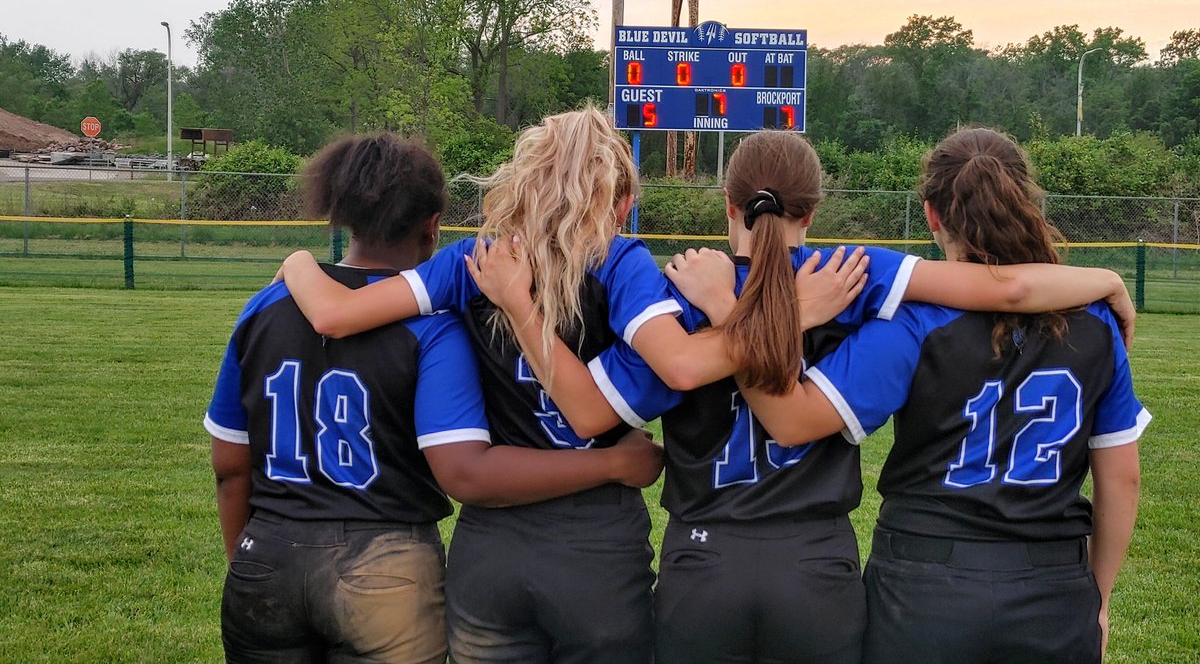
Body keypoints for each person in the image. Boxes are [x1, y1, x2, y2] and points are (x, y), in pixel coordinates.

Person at [277, 108, 1132, 663]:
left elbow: (338, 310)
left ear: (729, 200)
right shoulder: (843, 273)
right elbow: (1005, 289)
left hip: (672, 554)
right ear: (812, 208)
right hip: (801, 557)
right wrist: (1103, 280)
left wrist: (296, 262)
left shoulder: (615, 277)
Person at [676, 127, 1147, 664]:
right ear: (1024, 201)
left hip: (924, 575)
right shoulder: (1096, 323)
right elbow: (1122, 477)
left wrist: (730, 316)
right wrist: (1098, 597)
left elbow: (792, 420)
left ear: (931, 215)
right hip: (1052, 581)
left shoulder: (912, 321)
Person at [204, 133, 663, 664]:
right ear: (431, 224)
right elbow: (469, 466)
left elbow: (231, 465)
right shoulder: (442, 324)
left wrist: (300, 263)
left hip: (286, 549)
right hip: (407, 558)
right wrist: (615, 463)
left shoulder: (268, 306)